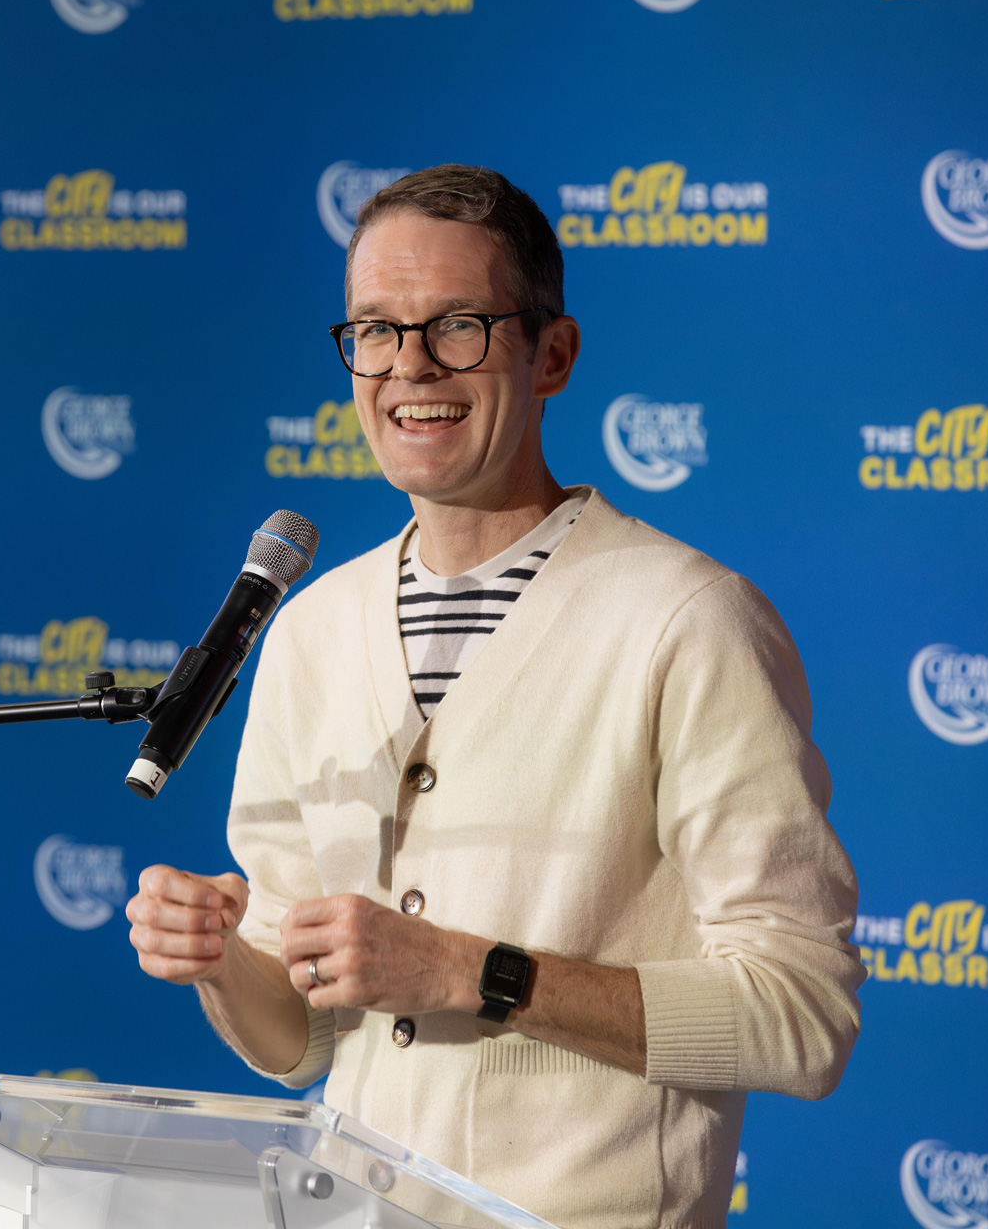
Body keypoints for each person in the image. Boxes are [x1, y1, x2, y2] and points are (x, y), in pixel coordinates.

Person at [124, 165, 862, 1229]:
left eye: (457, 326)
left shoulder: (686, 617)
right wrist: (219, 960)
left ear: (551, 353)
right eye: (374, 330)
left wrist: (476, 971)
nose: (409, 366)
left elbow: (805, 1015)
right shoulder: (314, 629)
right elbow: (305, 1042)